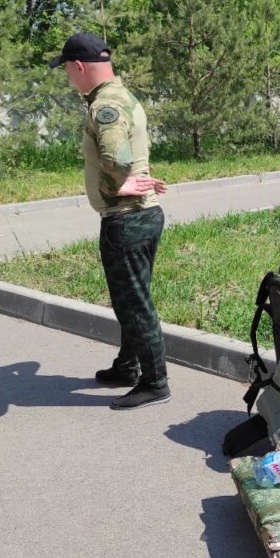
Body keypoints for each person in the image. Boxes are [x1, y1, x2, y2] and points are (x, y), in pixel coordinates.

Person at [50, 32, 171, 410]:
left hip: (127, 220)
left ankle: (155, 381)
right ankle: (128, 365)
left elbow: (116, 158)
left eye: (68, 69)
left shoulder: (106, 104)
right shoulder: (123, 95)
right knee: (129, 298)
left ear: (79, 66)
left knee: (134, 303)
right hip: (140, 217)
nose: (69, 77)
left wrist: (117, 186)